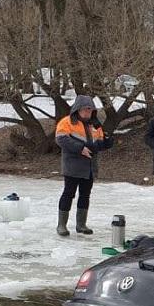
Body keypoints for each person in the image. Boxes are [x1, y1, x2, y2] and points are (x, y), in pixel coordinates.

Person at [55, 95, 113, 236]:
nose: (88, 113)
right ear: (78, 109)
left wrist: (107, 140)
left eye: (90, 110)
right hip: (73, 166)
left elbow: (100, 144)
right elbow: (61, 139)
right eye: (85, 110)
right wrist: (80, 148)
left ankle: (81, 224)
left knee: (85, 195)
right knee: (69, 194)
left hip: (90, 168)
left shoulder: (95, 125)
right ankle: (61, 225)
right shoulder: (67, 122)